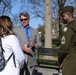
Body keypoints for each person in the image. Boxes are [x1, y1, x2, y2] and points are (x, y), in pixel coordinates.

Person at [58, 6, 76, 75]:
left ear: (69, 15)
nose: (61, 18)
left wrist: (60, 60)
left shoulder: (68, 28)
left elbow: (64, 49)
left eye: (63, 16)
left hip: (70, 61)